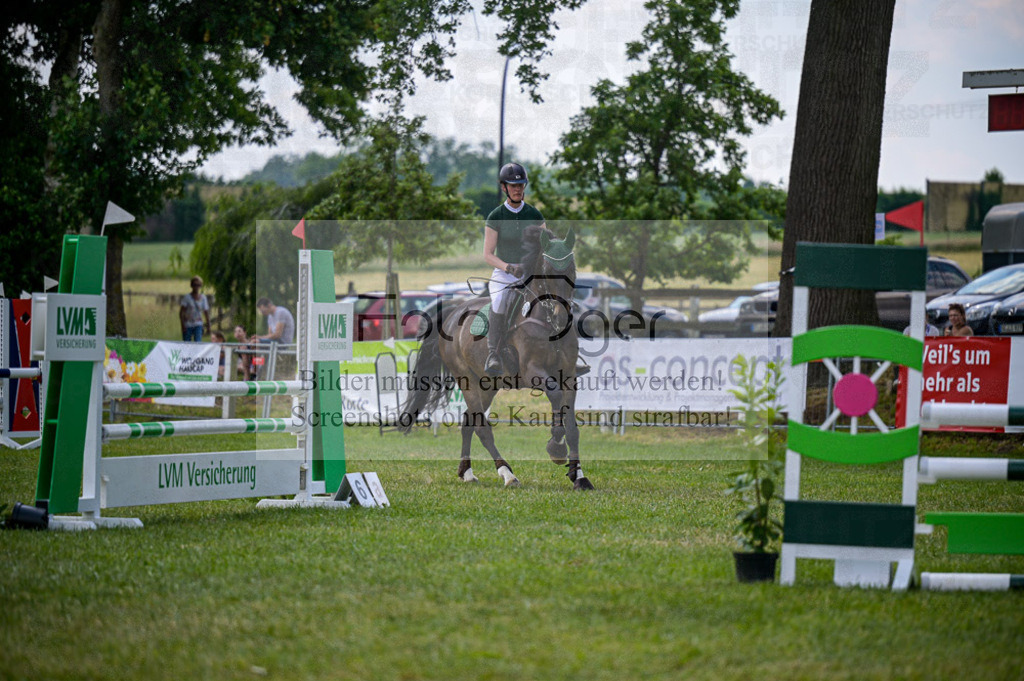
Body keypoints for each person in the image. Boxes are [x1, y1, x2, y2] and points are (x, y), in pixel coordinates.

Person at [482, 162, 589, 377]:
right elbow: (487, 254)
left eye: (521, 185)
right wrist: (508, 267)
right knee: (500, 300)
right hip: (505, 273)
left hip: (532, 274)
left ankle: (568, 357)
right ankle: (493, 353)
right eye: (513, 185)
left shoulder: (535, 214)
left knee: (558, 301)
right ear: (504, 187)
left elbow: (546, 247)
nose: (517, 189)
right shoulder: (496, 216)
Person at [179, 276, 210, 342]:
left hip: (198, 324)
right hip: (188, 324)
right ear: (191, 285)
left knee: (198, 342)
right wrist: (183, 325)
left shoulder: (203, 298)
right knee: (187, 343)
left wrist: (208, 326)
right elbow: (182, 312)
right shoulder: (187, 298)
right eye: (194, 285)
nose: (196, 287)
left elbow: (206, 312)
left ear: (200, 286)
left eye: (198, 285)